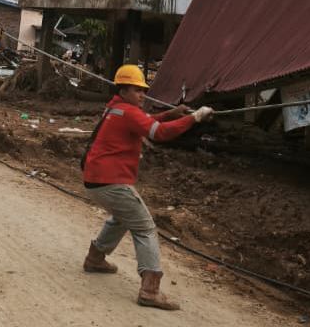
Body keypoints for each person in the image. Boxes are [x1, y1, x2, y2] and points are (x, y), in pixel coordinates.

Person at [80, 64, 214, 311]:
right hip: (111, 181)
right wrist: (193, 119)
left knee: (122, 218)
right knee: (145, 228)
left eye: (143, 90)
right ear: (124, 90)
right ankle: (150, 290)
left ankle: (95, 258)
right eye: (137, 90)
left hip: (95, 179)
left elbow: (146, 122)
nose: (142, 95)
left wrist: (171, 113)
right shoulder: (129, 112)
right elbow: (159, 134)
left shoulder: (115, 107)